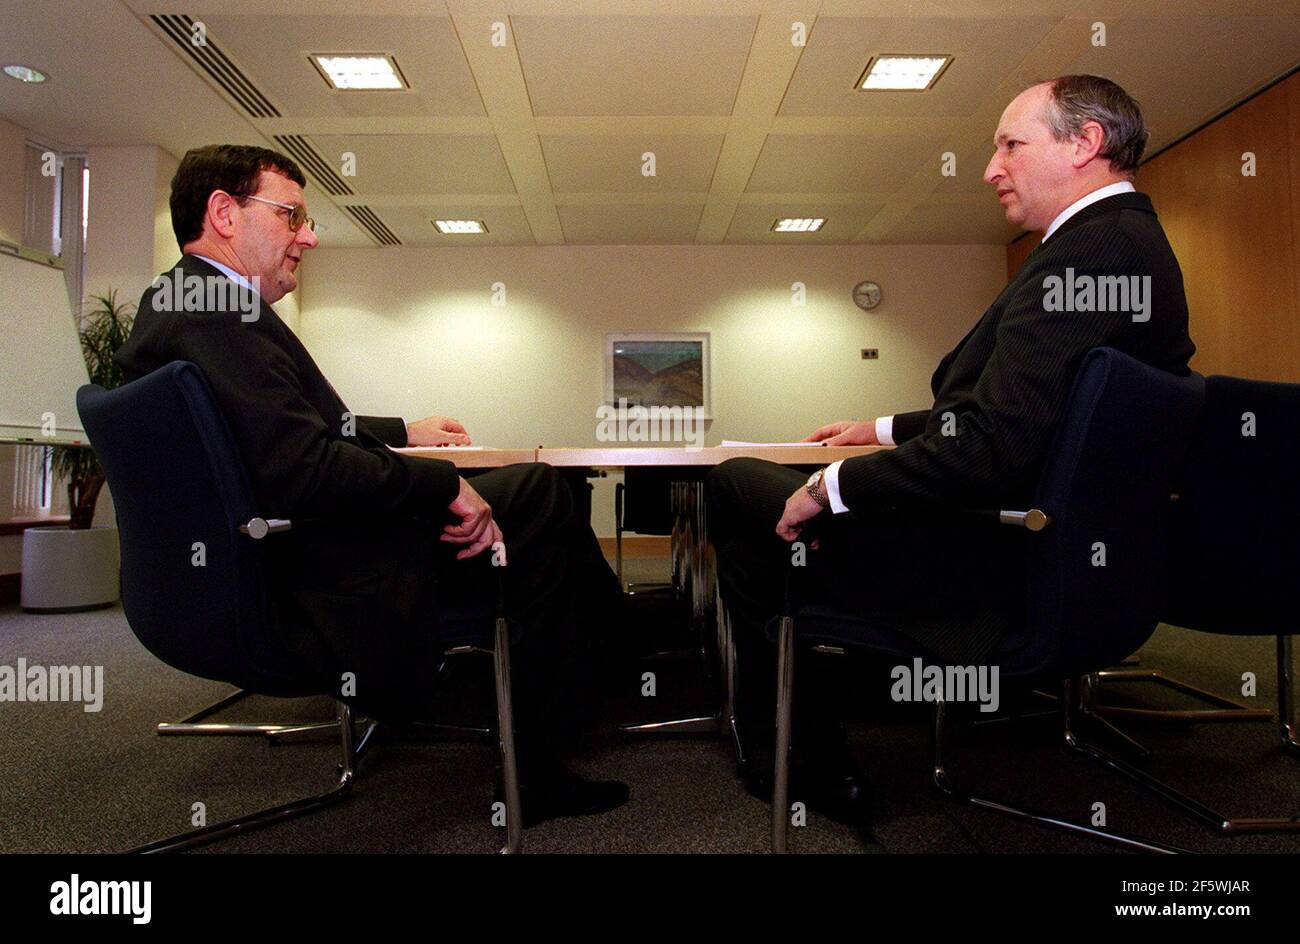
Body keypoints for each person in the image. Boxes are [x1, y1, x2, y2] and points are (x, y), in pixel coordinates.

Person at [707, 75, 1196, 830]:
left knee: (743, 489)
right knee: (781, 514)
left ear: (1085, 144)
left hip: (997, 568)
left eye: (1010, 144)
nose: (990, 168)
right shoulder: (1127, 244)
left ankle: (792, 751)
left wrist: (835, 485)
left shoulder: (1089, 256)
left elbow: (993, 445)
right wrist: (879, 430)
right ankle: (822, 704)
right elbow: (1032, 409)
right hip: (1079, 561)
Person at [115, 144, 628, 826]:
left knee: (522, 500)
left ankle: (601, 658)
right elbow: (305, 467)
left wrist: (403, 433)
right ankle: (567, 726)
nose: (310, 234)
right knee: (535, 494)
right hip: (310, 584)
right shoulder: (221, 314)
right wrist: (440, 483)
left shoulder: (180, 303)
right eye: (291, 214)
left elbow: (292, 429)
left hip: (245, 569)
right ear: (224, 214)